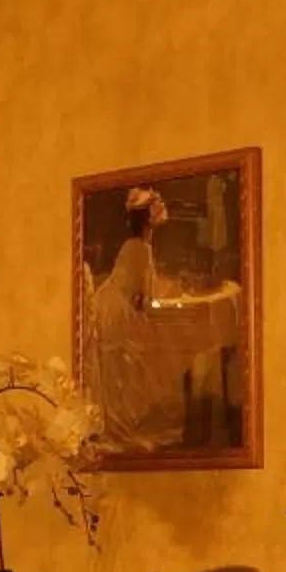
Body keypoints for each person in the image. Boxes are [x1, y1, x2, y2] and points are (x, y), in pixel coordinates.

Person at [85, 187, 172, 449]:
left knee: (120, 371)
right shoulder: (140, 249)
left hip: (111, 304)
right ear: (149, 220)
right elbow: (142, 295)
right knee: (121, 370)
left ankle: (118, 422)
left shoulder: (134, 246)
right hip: (117, 310)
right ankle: (117, 425)